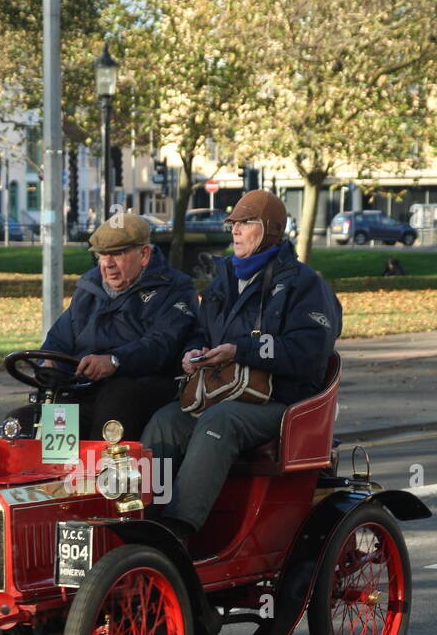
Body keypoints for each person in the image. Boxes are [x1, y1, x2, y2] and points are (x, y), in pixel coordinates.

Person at [142, 189, 341, 540]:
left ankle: (177, 532)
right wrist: (191, 354)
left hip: (285, 403)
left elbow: (310, 350)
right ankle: (146, 517)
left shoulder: (305, 284)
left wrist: (240, 350)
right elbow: (200, 331)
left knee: (221, 420)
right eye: (233, 222)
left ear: (271, 230)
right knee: (164, 421)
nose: (235, 230)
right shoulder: (223, 282)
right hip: (224, 392)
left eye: (246, 223)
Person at [16, 212, 198, 440]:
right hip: (85, 389)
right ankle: (51, 473)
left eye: (118, 254)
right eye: (102, 255)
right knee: (24, 422)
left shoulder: (175, 289)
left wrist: (114, 361)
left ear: (144, 254)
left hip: (143, 389)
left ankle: (102, 471)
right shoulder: (88, 289)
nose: (108, 264)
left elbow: (161, 345)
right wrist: (49, 362)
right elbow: (60, 338)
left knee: (116, 398)